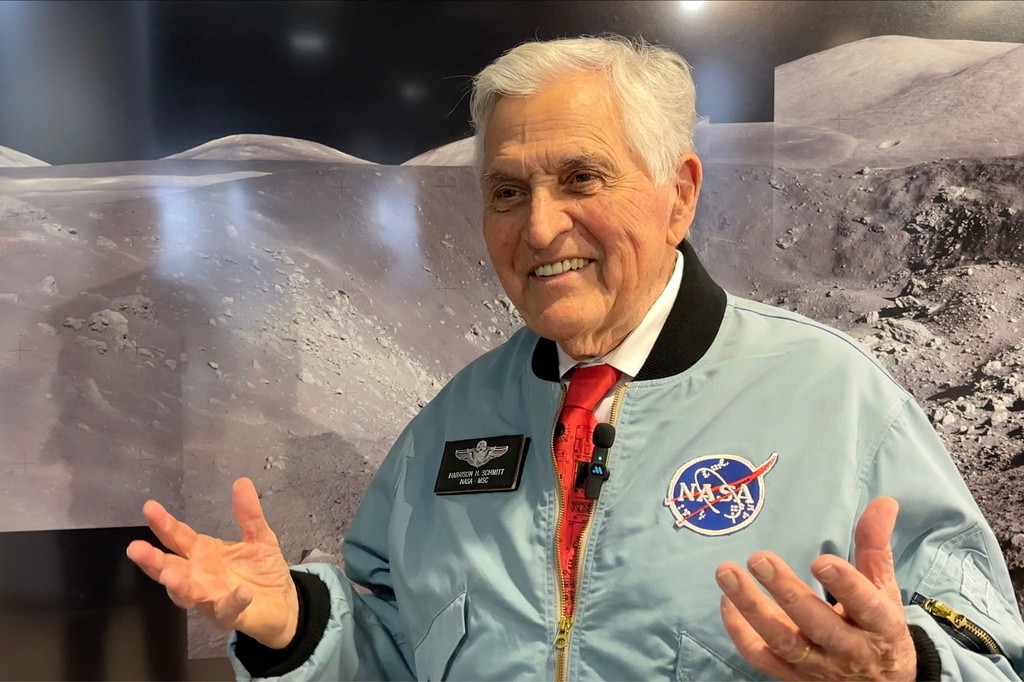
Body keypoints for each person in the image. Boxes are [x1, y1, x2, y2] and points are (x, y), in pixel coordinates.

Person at [127, 35, 1024, 681]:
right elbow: (390, 638)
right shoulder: (454, 422)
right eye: (507, 192)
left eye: (581, 179)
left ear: (678, 194)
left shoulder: (835, 399)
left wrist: (910, 671)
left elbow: (988, 644)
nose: (540, 227)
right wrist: (294, 627)